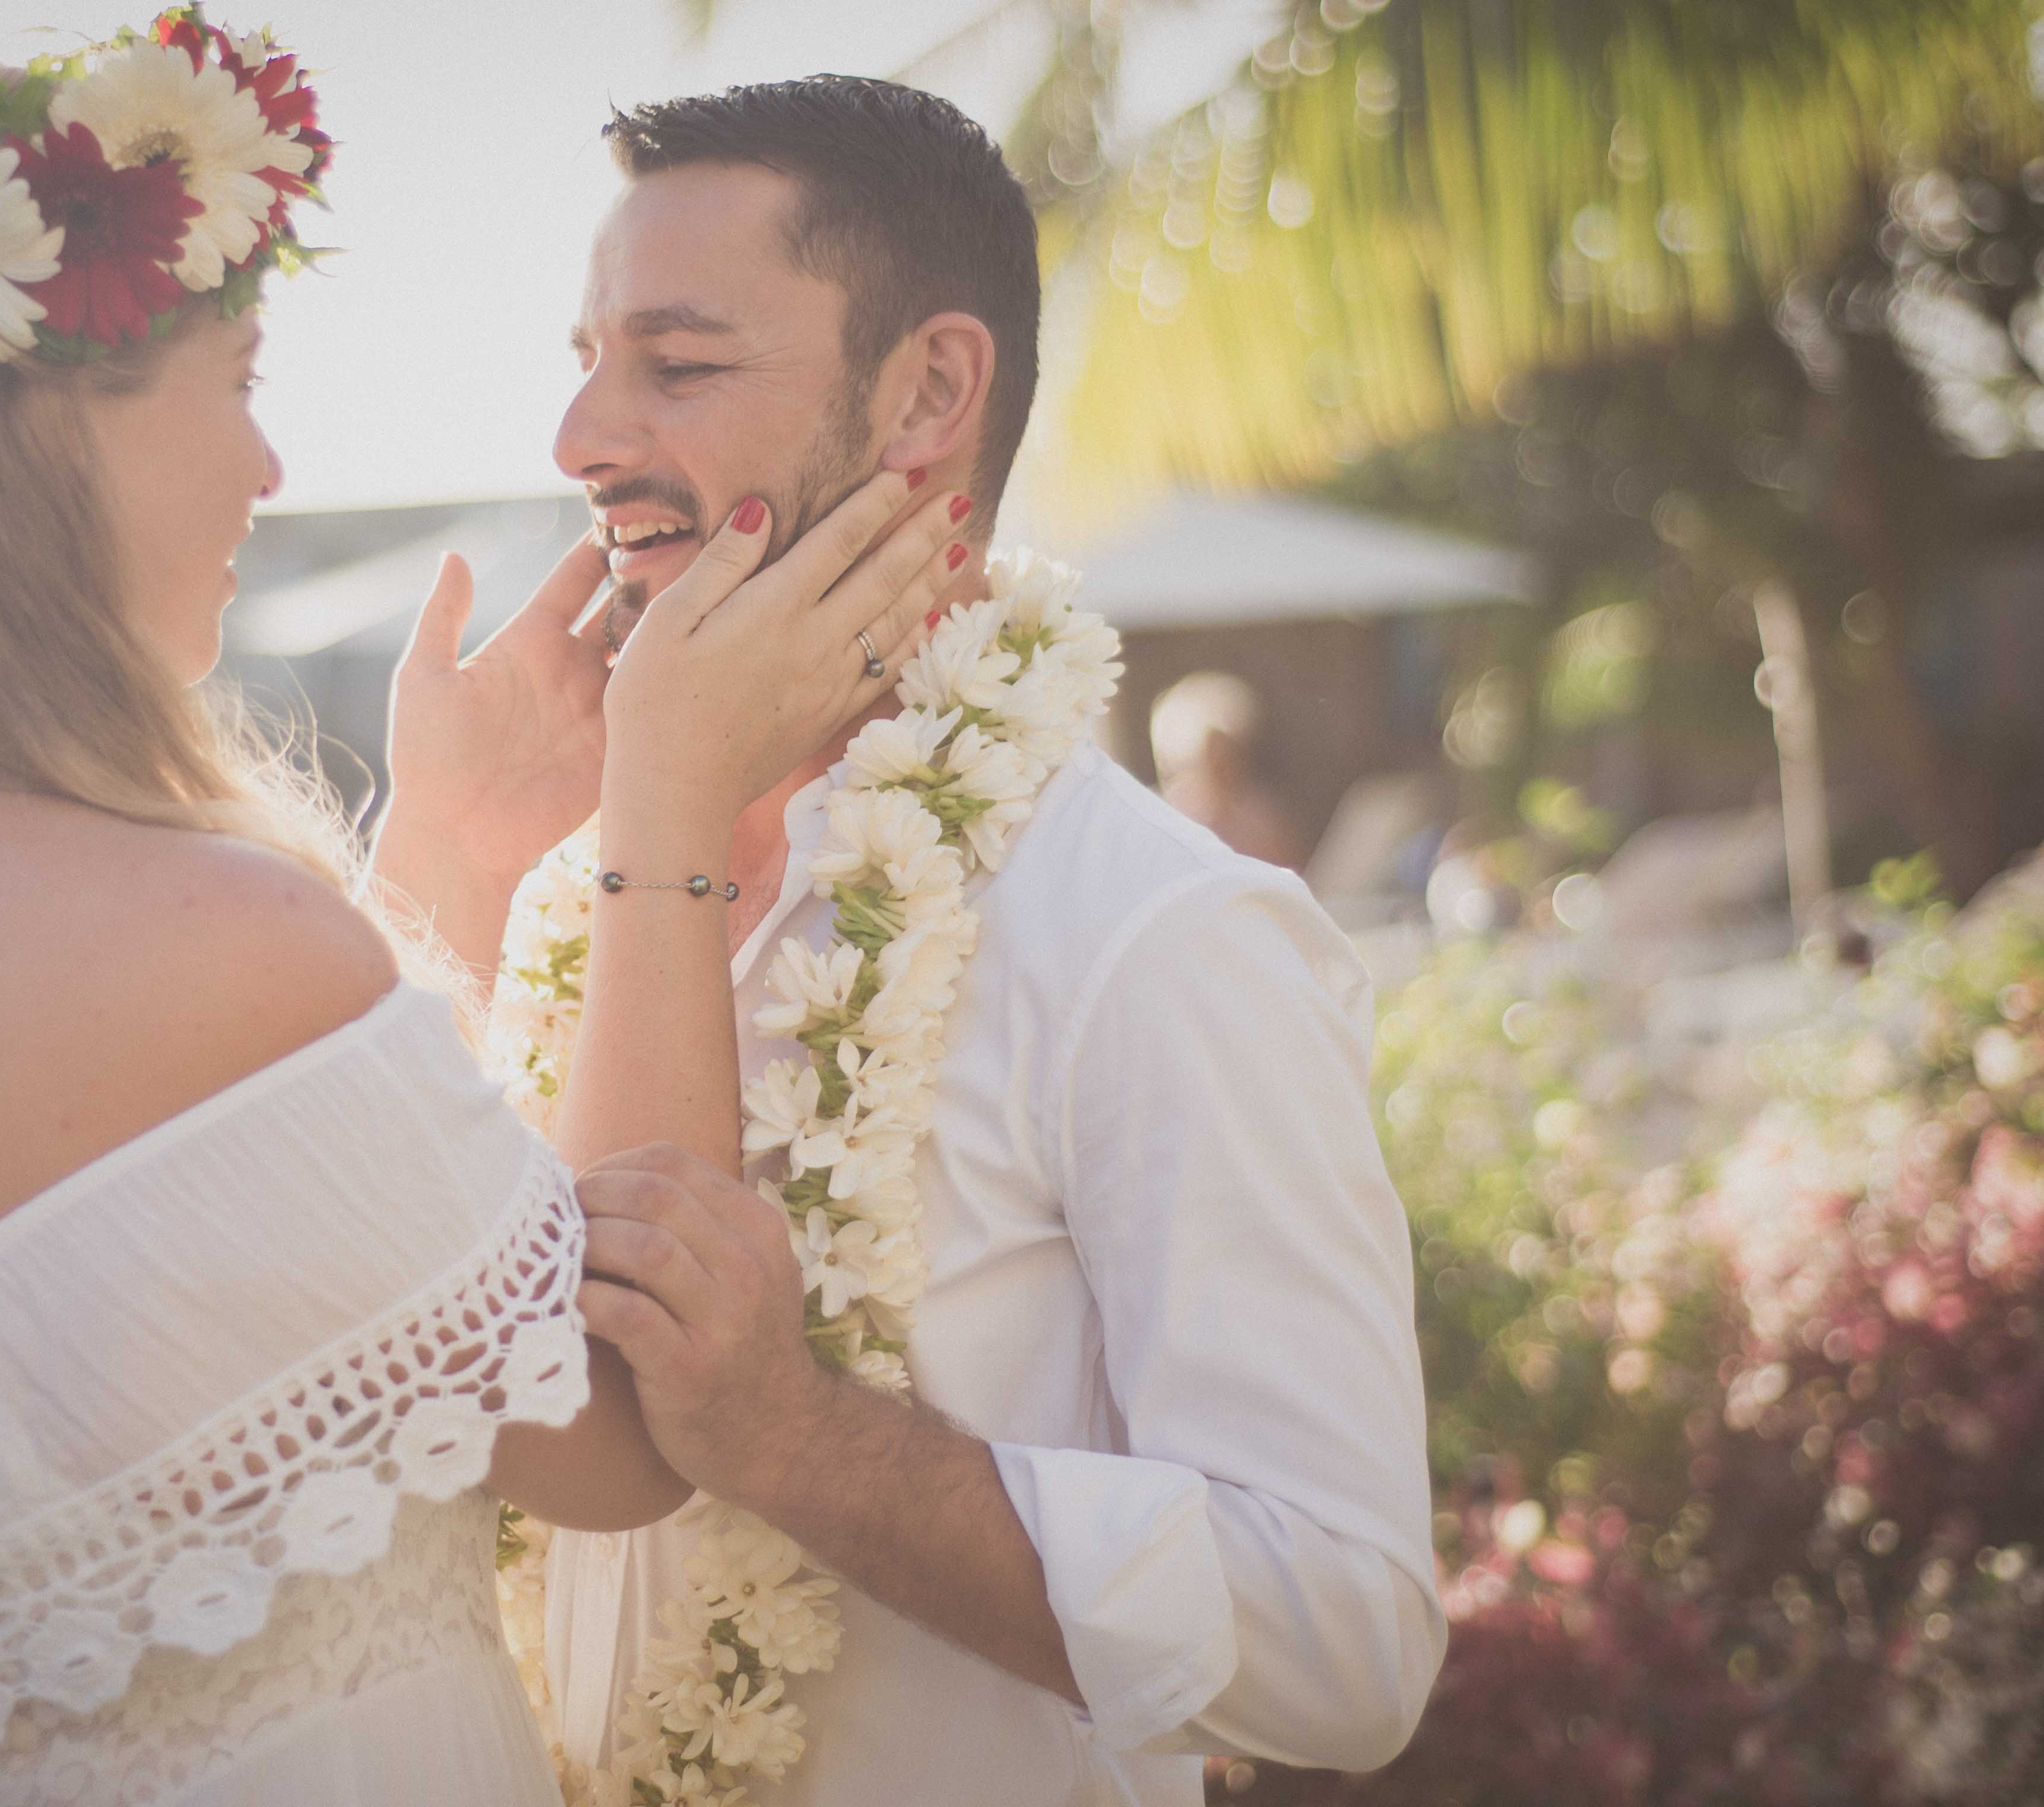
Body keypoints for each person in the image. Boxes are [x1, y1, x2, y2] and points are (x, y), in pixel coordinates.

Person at [0, 22, 969, 1803]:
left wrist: (446, 846)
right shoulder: (202, 938)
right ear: (51, 442)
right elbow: (628, 1418)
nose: (268, 471)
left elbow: (182, 1298)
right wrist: (661, 804)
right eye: (237, 379)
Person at [513, 79, 1446, 1805]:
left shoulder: (1160, 932)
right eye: (582, 352)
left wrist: (794, 1437)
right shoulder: (578, 885)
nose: (578, 433)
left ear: (929, 390)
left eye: (677, 361)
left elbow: (1346, 1632)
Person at [1147, 670, 1305, 869]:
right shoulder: (1155, 823)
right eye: (1216, 758)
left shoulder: (1259, 822)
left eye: (1234, 753)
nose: (1229, 767)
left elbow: (1293, 887)